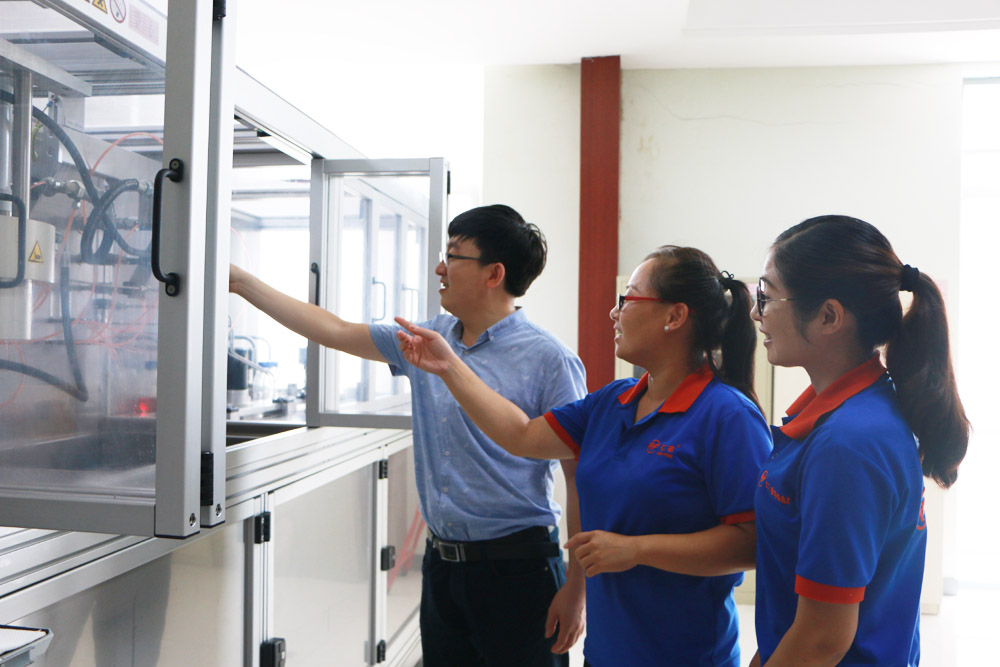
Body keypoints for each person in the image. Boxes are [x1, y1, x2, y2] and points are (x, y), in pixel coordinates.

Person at [230, 205, 588, 666]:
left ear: (494, 273)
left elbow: (580, 477)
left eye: (453, 256)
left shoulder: (550, 360)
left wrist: (577, 588)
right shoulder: (427, 338)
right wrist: (240, 282)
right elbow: (334, 329)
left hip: (518, 569)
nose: (440, 268)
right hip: (442, 568)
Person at [395, 246, 773, 666]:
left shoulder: (728, 416)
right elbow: (522, 435)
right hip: (605, 652)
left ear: (675, 316)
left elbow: (753, 542)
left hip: (684, 655)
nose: (615, 313)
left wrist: (638, 550)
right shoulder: (614, 402)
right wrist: (450, 366)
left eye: (627, 299)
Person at [749, 215, 970, 666]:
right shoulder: (847, 414)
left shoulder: (848, 445)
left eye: (766, 297)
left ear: (829, 316)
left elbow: (822, 639)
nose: (756, 313)